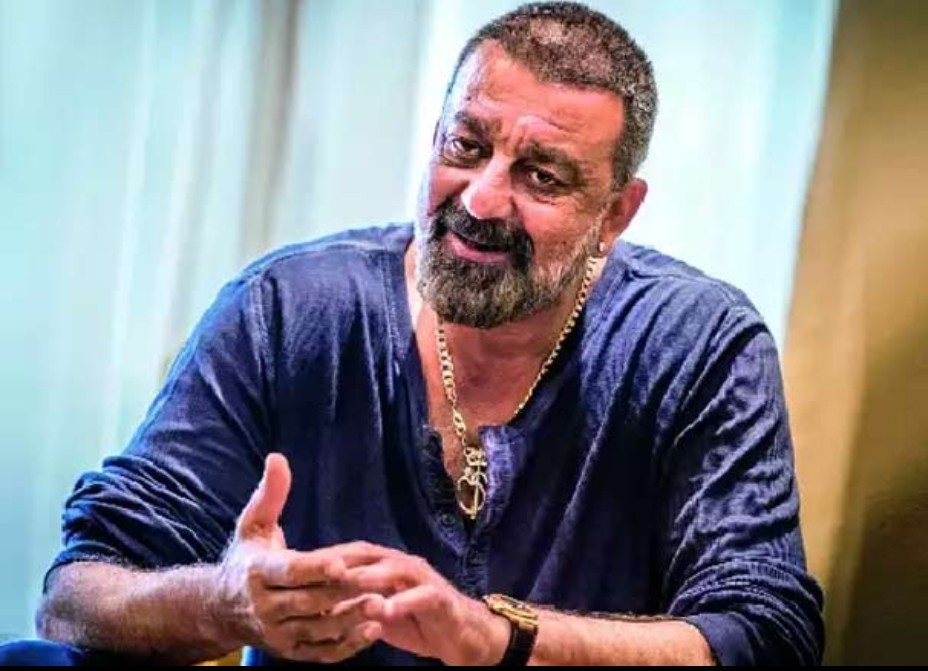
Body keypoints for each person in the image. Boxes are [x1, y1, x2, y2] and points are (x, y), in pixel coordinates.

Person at [3, 1, 823, 666]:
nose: (481, 198)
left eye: (540, 175)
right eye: (466, 145)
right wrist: (226, 602)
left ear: (615, 214)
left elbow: (765, 635)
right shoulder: (286, 309)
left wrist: (496, 639)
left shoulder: (699, 345)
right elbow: (77, 594)